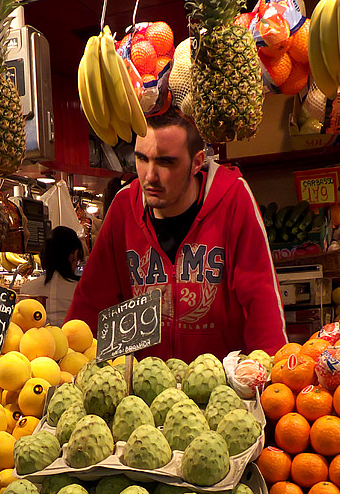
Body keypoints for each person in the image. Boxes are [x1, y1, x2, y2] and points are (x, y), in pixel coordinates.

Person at [66, 106, 286, 358]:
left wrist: (270, 377)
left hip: (221, 388)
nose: (149, 176)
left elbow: (262, 298)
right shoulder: (123, 206)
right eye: (141, 159)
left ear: (196, 162)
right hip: (143, 388)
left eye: (165, 162)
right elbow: (90, 304)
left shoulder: (232, 198)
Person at [20, 226, 84, 325]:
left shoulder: (27, 290)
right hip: (75, 339)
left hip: (36, 339)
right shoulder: (81, 291)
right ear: (74, 255)